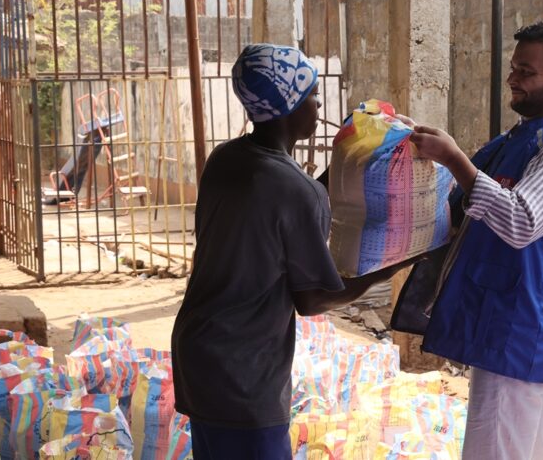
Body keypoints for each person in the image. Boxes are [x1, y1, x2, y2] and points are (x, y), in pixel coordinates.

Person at [170, 43, 410, 459]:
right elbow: (312, 299)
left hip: (200, 355)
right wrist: (386, 270)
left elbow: (293, 195)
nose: (318, 106)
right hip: (244, 373)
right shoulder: (294, 191)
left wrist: (354, 153)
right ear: (290, 107)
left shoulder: (225, 160)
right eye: (313, 96)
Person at [410, 20, 543, 460]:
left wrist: (455, 158)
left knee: (495, 447)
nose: (513, 79)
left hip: (518, 328)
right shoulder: (520, 138)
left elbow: (520, 221)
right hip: (502, 322)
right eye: (514, 68)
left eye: (526, 72)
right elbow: (461, 198)